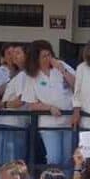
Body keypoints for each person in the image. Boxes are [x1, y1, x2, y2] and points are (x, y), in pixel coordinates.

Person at [21, 40, 76, 169]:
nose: (48, 59)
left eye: (49, 55)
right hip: (49, 123)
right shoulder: (31, 75)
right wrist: (49, 107)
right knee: (54, 157)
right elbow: (30, 104)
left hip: (69, 120)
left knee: (69, 158)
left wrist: (62, 70)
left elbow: (77, 85)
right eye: (44, 56)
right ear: (36, 59)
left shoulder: (61, 65)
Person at [0, 63, 29, 167]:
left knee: (10, 160)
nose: (8, 71)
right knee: (7, 160)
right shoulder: (15, 78)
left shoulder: (22, 76)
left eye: (8, 68)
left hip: (13, 124)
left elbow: (20, 100)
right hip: (10, 124)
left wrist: (2, 104)